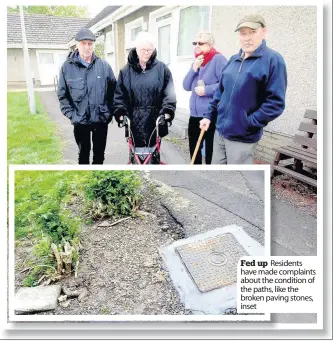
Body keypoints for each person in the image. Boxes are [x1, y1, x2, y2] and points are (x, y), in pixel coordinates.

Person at [200, 14, 287, 164]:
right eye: (243, 33)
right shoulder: (233, 59)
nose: (247, 38)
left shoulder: (273, 60)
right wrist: (209, 115)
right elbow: (220, 92)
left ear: (264, 32)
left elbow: (275, 103)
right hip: (220, 132)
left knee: (238, 181)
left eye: (252, 32)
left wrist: (247, 123)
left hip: (242, 137)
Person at [113, 32, 176, 162]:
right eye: (143, 50)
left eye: (150, 50)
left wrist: (167, 111)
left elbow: (169, 93)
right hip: (133, 121)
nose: (147, 53)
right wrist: (120, 113)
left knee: (153, 156)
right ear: (136, 50)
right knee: (135, 157)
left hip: (156, 119)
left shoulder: (162, 69)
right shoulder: (125, 72)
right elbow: (120, 96)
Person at [57, 28, 116, 164]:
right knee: (83, 154)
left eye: (90, 43)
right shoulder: (67, 68)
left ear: (93, 45)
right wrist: (72, 115)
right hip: (80, 121)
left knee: (99, 156)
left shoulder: (104, 66)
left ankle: (97, 183)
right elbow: (62, 95)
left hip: (100, 120)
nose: (87, 47)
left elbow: (114, 93)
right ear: (77, 45)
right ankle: (84, 181)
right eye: (83, 43)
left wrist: (108, 112)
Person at [183, 32, 227, 164]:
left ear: (210, 45)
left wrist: (206, 90)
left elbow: (226, 84)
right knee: (194, 152)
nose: (197, 45)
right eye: (194, 43)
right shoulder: (197, 61)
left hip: (211, 115)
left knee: (210, 153)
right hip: (194, 114)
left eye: (201, 43)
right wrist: (194, 68)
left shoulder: (218, 59)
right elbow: (186, 86)